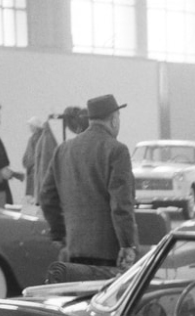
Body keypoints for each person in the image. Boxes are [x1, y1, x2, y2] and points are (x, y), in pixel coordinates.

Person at [39, 93, 138, 270]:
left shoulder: (63, 150)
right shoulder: (117, 150)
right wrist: (127, 244)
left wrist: (60, 234)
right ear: (114, 119)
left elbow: (46, 197)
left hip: (73, 250)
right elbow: (121, 205)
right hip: (109, 253)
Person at [22, 116, 45, 200]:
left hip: (35, 172)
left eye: (31, 126)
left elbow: (36, 156)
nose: (30, 128)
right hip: (32, 172)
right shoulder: (34, 138)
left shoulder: (39, 139)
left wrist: (29, 163)